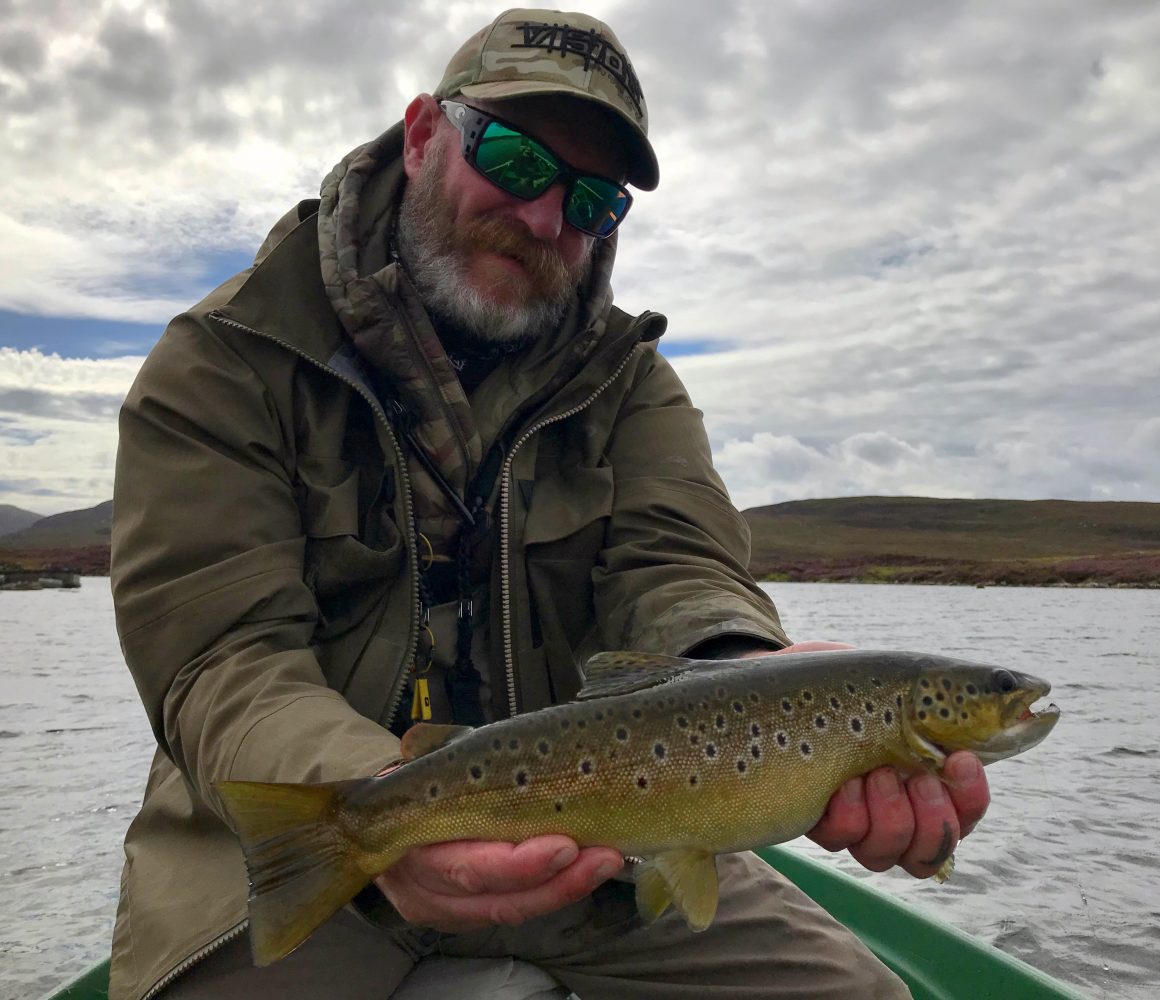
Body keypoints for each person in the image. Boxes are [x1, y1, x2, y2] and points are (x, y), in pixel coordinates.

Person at [108, 8, 990, 1000]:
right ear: (420, 133)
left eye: (592, 201)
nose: (543, 218)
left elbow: (679, 567)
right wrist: (373, 811)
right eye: (514, 160)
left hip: (605, 833)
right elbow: (222, 661)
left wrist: (752, 684)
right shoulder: (223, 360)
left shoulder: (632, 382)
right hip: (294, 835)